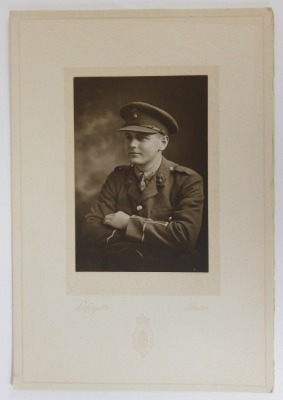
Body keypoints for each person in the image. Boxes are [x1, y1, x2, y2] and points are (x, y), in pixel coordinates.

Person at [81, 101, 204, 272]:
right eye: (128, 137)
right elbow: (91, 225)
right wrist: (129, 251)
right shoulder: (117, 178)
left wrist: (128, 224)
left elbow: (184, 236)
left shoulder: (187, 180)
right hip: (122, 268)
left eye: (142, 138)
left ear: (163, 143)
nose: (132, 144)